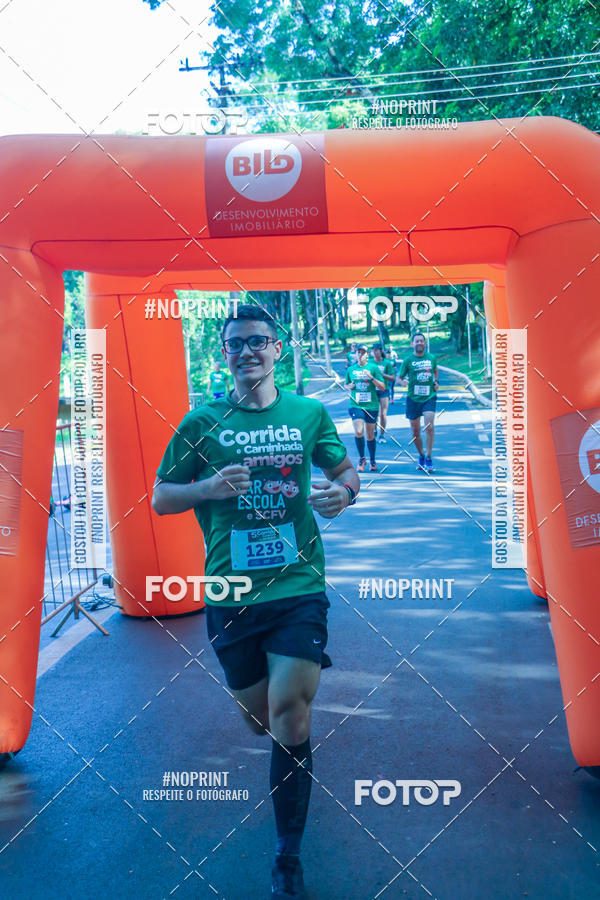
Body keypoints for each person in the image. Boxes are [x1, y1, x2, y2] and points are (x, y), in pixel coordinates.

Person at [152, 304, 360, 900]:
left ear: (277, 349)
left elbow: (346, 473)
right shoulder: (201, 422)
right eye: (236, 343)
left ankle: (287, 858)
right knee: (260, 718)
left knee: (290, 711)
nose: (247, 351)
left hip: (298, 586)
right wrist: (208, 487)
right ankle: (279, 756)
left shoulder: (307, 413)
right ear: (225, 354)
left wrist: (343, 495)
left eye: (258, 341)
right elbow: (162, 498)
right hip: (230, 592)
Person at [398, 332, 439, 473]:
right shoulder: (408, 360)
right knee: (415, 431)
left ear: (425, 343)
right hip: (413, 398)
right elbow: (399, 378)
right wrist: (402, 382)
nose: (419, 343)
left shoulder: (431, 358)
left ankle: (428, 457)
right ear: (412, 344)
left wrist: (436, 381)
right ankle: (421, 455)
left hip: (429, 397)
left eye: (422, 341)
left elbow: (435, 371)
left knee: (429, 426)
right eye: (417, 341)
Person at [345, 343, 385, 472]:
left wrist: (371, 377)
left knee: (370, 435)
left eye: (363, 352)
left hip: (371, 406)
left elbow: (382, 387)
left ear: (367, 355)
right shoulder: (351, 369)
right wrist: (349, 386)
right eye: (359, 352)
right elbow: (346, 384)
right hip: (356, 405)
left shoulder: (373, 368)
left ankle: (372, 460)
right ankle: (362, 458)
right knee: (358, 431)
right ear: (356, 354)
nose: (361, 354)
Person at [371, 343, 395, 442]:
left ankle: (382, 434)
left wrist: (382, 374)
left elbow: (392, 378)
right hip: (372, 390)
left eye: (376, 350)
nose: (375, 352)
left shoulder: (387, 363)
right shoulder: (369, 362)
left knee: (383, 414)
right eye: (373, 350)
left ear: (380, 351)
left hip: (384, 390)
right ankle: (374, 429)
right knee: (374, 413)